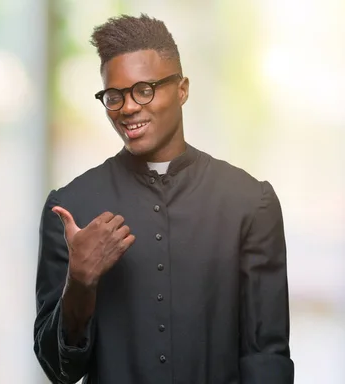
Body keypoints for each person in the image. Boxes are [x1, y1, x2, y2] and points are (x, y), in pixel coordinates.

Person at [33, 13, 294, 384]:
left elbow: (267, 356)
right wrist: (79, 282)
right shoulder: (71, 208)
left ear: (183, 89)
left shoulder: (251, 202)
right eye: (114, 95)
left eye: (144, 89)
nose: (127, 108)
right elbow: (58, 370)